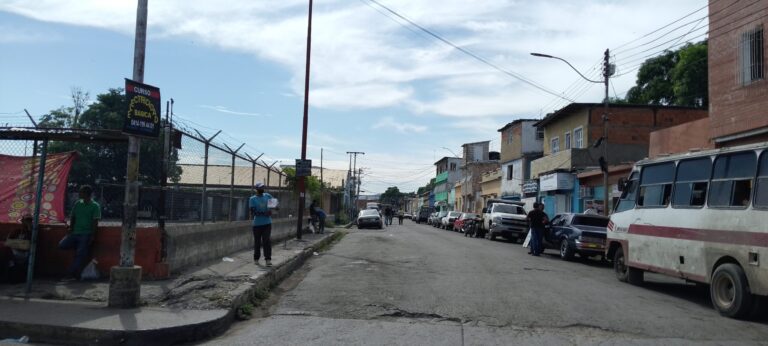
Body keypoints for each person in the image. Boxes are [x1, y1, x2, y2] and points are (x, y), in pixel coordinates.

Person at [59, 185, 101, 281]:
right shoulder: (78, 203)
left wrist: (92, 235)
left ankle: (70, 274)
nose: (79, 194)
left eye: (81, 192)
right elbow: (73, 216)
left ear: (86, 194)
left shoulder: (95, 206)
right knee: (62, 245)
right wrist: (71, 227)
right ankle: (80, 249)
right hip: (75, 232)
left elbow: (95, 222)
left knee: (79, 255)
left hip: (86, 233)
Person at [250, 183, 274, 267]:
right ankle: (256, 258)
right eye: (260, 188)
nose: (262, 189)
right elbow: (253, 212)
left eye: (263, 187)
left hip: (267, 223)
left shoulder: (267, 196)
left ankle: (268, 259)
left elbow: (274, 205)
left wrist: (273, 209)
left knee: (266, 241)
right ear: (256, 189)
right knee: (257, 242)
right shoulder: (252, 199)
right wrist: (264, 213)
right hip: (257, 224)